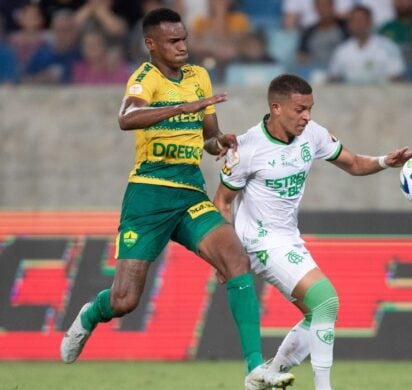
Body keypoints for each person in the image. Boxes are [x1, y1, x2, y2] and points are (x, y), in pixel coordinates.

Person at [59, 8, 294, 390]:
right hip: (149, 194)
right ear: (151, 44)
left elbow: (209, 136)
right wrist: (183, 108)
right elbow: (126, 117)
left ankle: (255, 369)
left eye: (184, 38)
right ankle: (90, 314)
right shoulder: (145, 78)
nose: (184, 46)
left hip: (189, 192)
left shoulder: (199, 76)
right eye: (173, 41)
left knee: (235, 257)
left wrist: (223, 142)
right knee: (124, 300)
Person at [213, 73, 412, 390]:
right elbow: (222, 203)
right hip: (259, 243)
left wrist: (384, 161)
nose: (307, 116)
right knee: (326, 301)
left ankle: (263, 379)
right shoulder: (248, 148)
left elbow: (352, 163)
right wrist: (225, 257)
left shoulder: (313, 135)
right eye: (300, 110)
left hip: (289, 238)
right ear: (276, 107)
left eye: (310, 108)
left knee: (319, 314)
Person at [328, 5, 406, 84]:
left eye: (362, 20)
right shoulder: (341, 51)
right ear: (349, 25)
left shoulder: (389, 47)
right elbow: (334, 78)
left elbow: (397, 76)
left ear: (370, 22)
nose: (358, 24)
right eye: (354, 20)